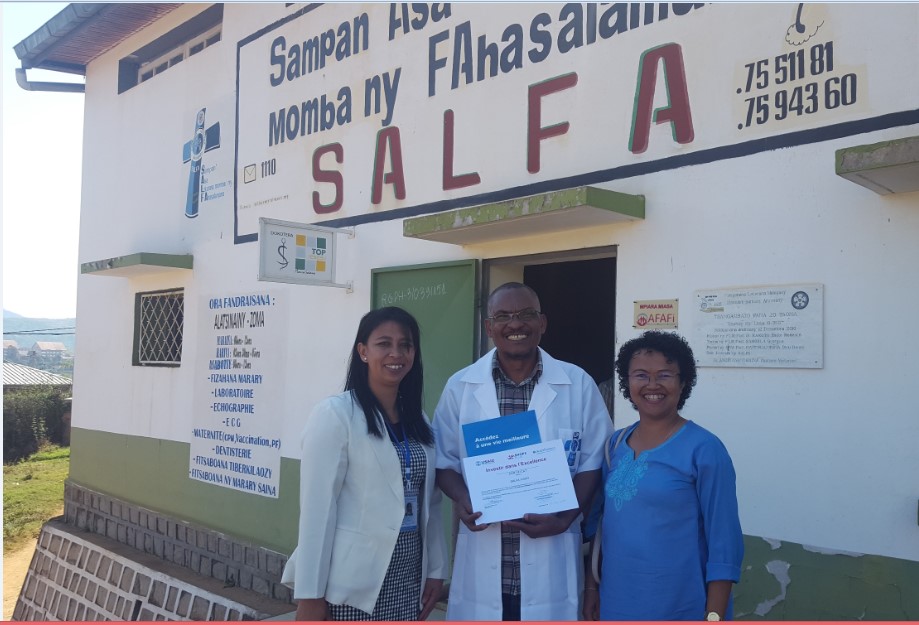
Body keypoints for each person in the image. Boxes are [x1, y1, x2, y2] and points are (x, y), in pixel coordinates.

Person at [433, 282, 613, 620]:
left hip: (553, 562)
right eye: (503, 316)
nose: (515, 324)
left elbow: (593, 462)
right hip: (483, 563)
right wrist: (462, 498)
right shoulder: (461, 387)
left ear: (542, 323)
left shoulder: (578, 384)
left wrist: (566, 517)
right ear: (489, 327)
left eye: (526, 314)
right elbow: (444, 460)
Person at [281, 307, 447, 621]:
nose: (396, 353)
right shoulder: (335, 415)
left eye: (406, 345)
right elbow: (318, 510)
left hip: (408, 578)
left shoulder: (418, 420)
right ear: (363, 352)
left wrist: (436, 569)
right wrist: (310, 596)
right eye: (384, 343)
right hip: (352, 586)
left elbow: (432, 502)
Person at [583, 330, 743, 621]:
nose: (652, 385)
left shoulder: (704, 449)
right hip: (616, 602)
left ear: (683, 383)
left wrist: (714, 615)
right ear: (626, 382)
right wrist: (592, 590)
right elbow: (602, 525)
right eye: (641, 375)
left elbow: (724, 545)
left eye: (665, 375)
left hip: (680, 606)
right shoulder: (615, 445)